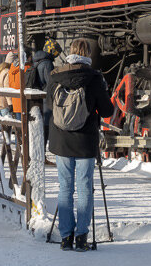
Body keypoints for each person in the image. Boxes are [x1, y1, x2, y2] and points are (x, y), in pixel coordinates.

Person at [45, 38, 113, 252]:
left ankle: (66, 237)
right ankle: (82, 237)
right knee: (84, 188)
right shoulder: (94, 78)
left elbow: (49, 104)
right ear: (88, 54)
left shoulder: (55, 75)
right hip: (85, 141)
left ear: (70, 52)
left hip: (61, 139)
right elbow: (108, 111)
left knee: (65, 188)